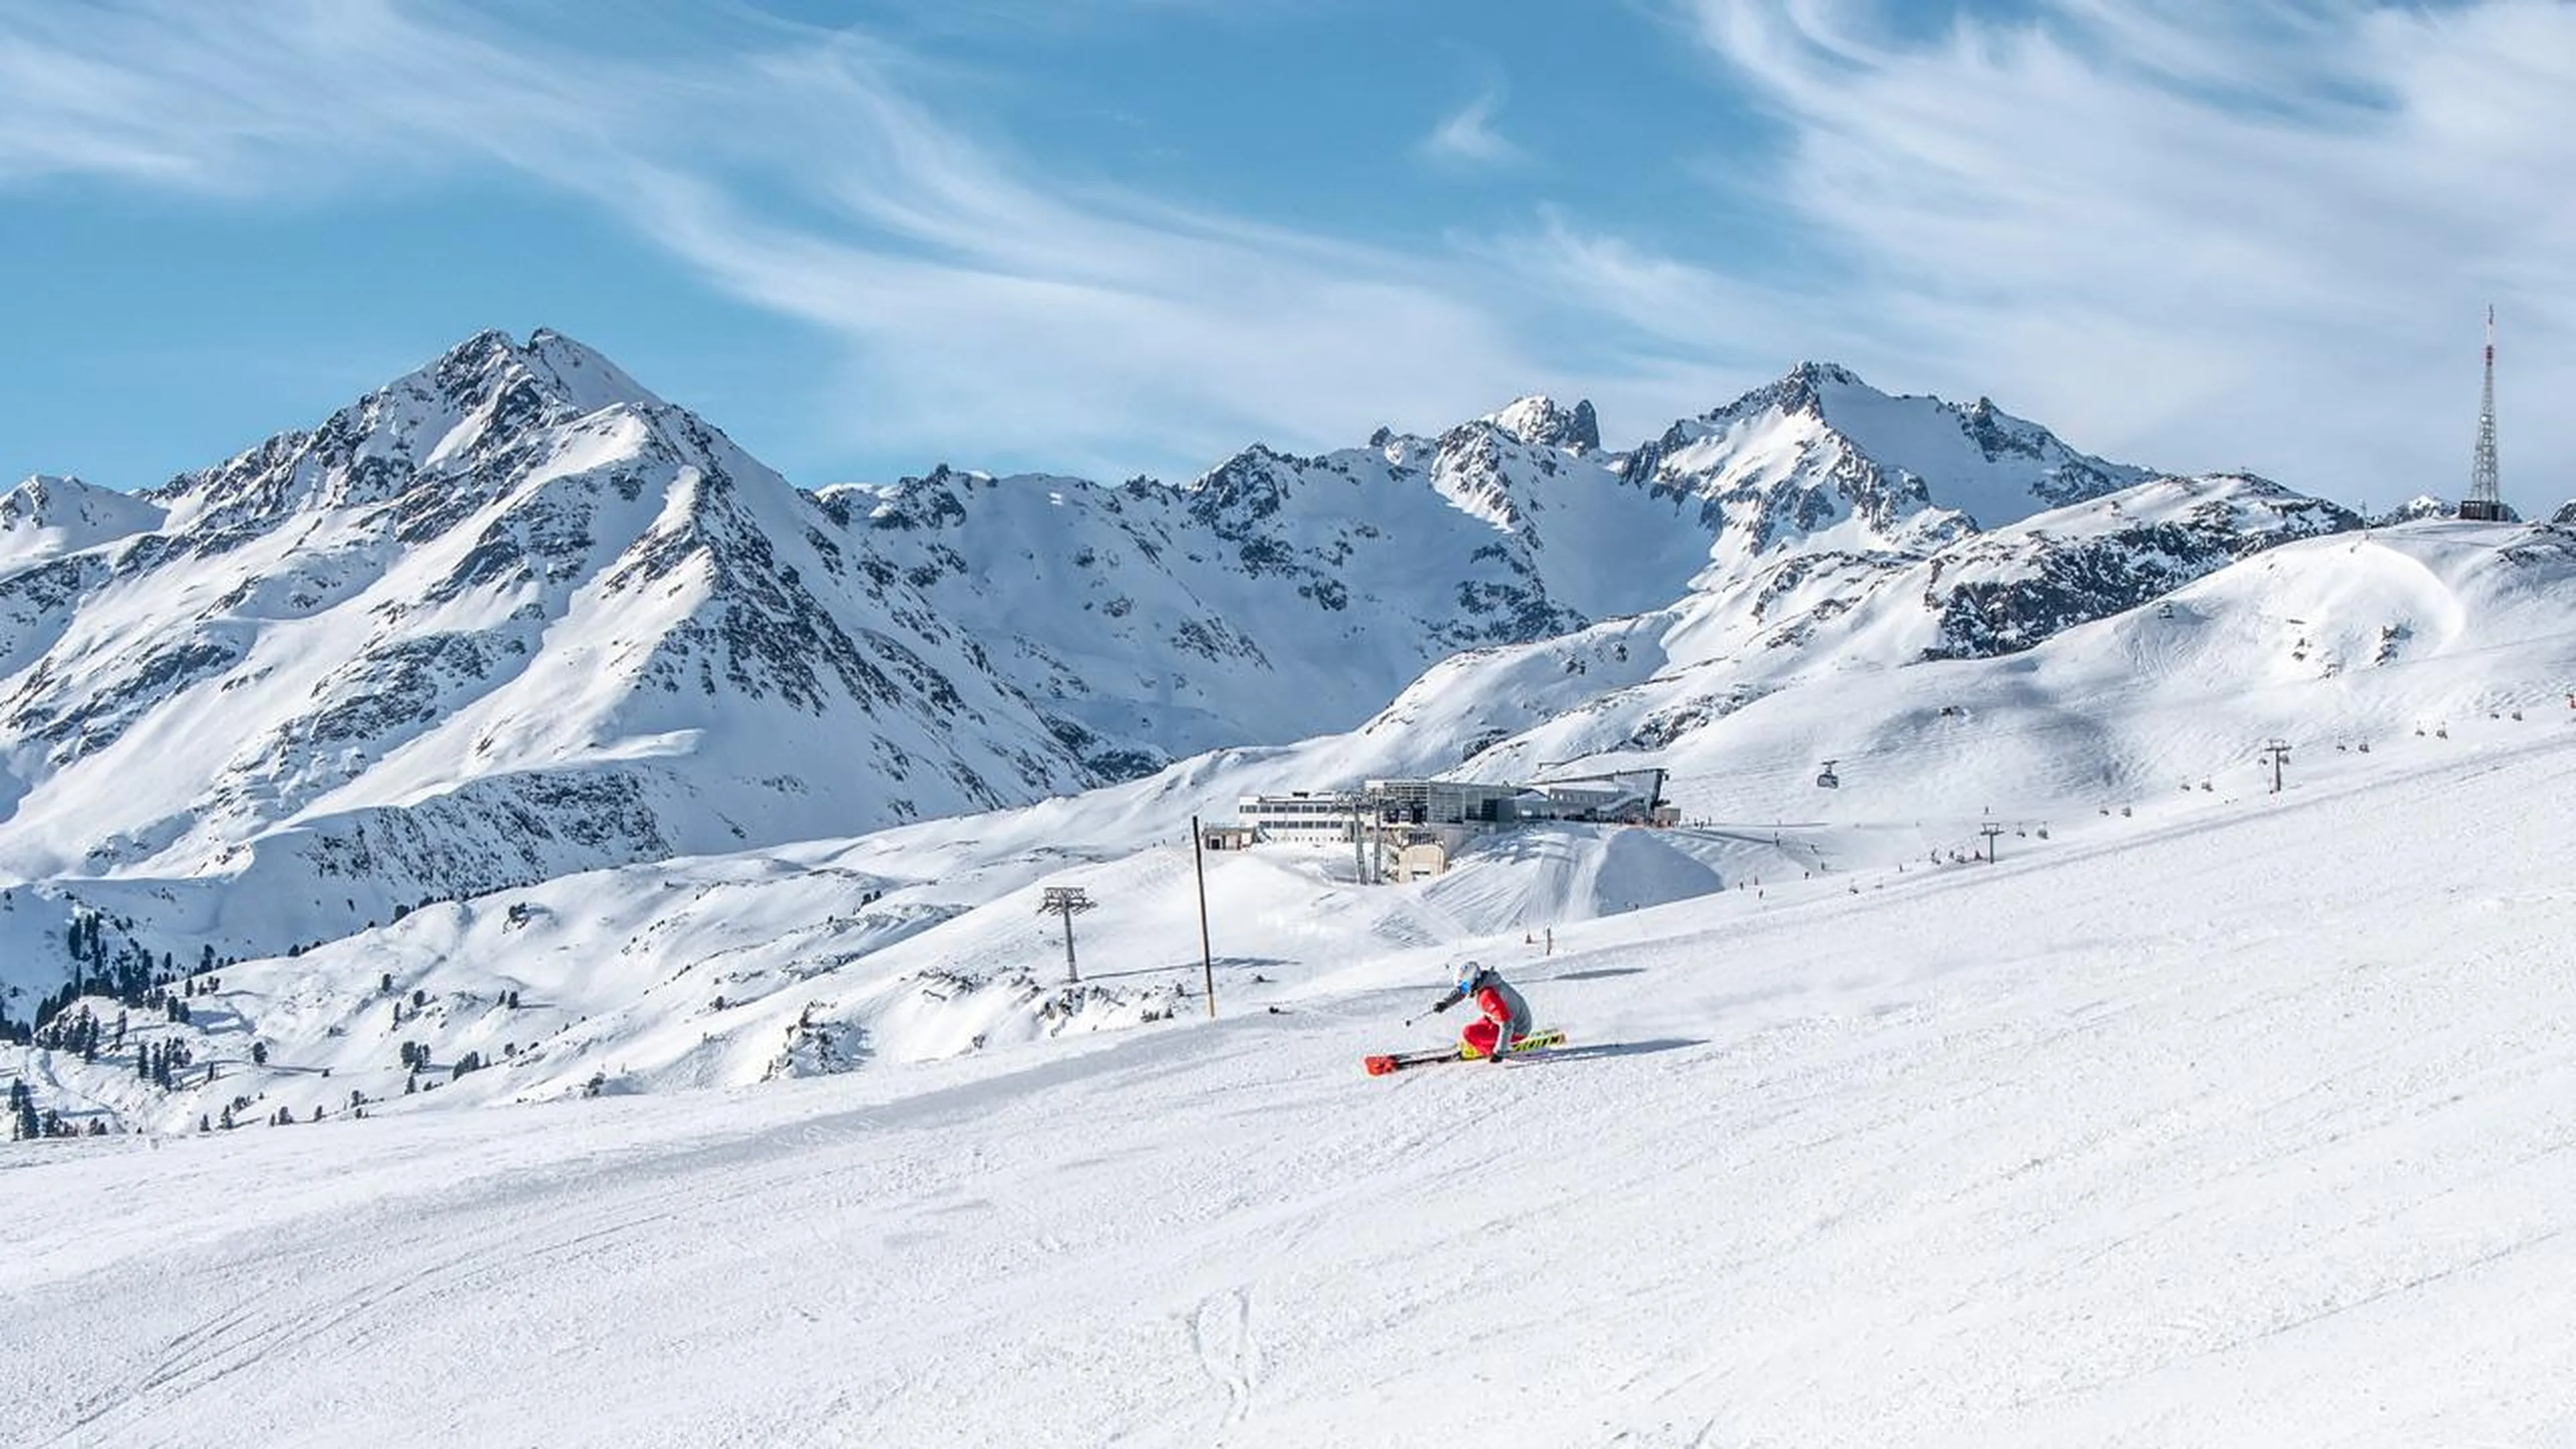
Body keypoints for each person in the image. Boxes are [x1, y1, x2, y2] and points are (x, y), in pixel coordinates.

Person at [1429, 959, 1531, 1063]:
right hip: (1506, 1019)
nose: (1463, 991)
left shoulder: (1488, 995)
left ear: (1475, 980)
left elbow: (1507, 1024)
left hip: (1518, 1030)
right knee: (1476, 1030)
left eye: (1465, 987)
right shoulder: (1485, 980)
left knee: (1469, 1033)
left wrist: (1499, 1053)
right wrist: (1446, 1003)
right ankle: (1494, 1043)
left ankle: (1492, 1050)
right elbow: (1462, 992)